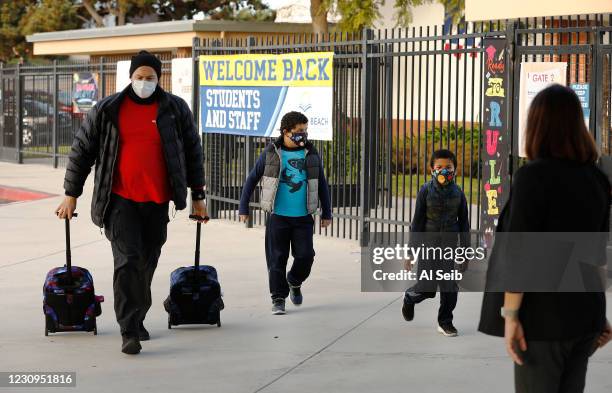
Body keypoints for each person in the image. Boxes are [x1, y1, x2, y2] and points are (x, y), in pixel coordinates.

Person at [55, 50, 208, 355]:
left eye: (150, 77)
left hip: (156, 200)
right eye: (139, 77)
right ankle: (129, 329)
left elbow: (192, 153)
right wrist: (71, 194)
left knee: (147, 263)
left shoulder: (175, 109)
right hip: (119, 200)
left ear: (158, 78)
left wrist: (198, 197)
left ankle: (137, 316)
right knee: (127, 262)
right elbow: (82, 151)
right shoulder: (108, 109)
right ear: (130, 78)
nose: (144, 82)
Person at [479, 84, 612, 393]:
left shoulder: (533, 177)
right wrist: (598, 312)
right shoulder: (596, 179)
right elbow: (597, 257)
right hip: (584, 315)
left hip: (542, 320)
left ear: (538, 125)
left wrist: (510, 315)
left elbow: (520, 253)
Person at [239, 111, 332, 315]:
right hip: (278, 217)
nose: (304, 135)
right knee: (277, 259)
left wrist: (327, 212)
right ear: (286, 132)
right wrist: (243, 207)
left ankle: (294, 281)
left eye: (305, 131)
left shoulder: (311, 154)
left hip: (303, 217)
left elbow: (321, 184)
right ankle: (278, 298)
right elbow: (251, 179)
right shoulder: (271, 153)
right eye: (299, 131)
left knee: (306, 256)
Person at [401, 149, 470, 337]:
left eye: (448, 167)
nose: (444, 171)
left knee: (449, 287)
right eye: (439, 167)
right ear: (432, 169)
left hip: (449, 247)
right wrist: (410, 253)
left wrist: (465, 253)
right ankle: (409, 298)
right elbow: (417, 224)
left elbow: (464, 225)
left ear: (455, 170)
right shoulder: (425, 191)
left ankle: (445, 322)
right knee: (427, 289)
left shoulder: (458, 194)